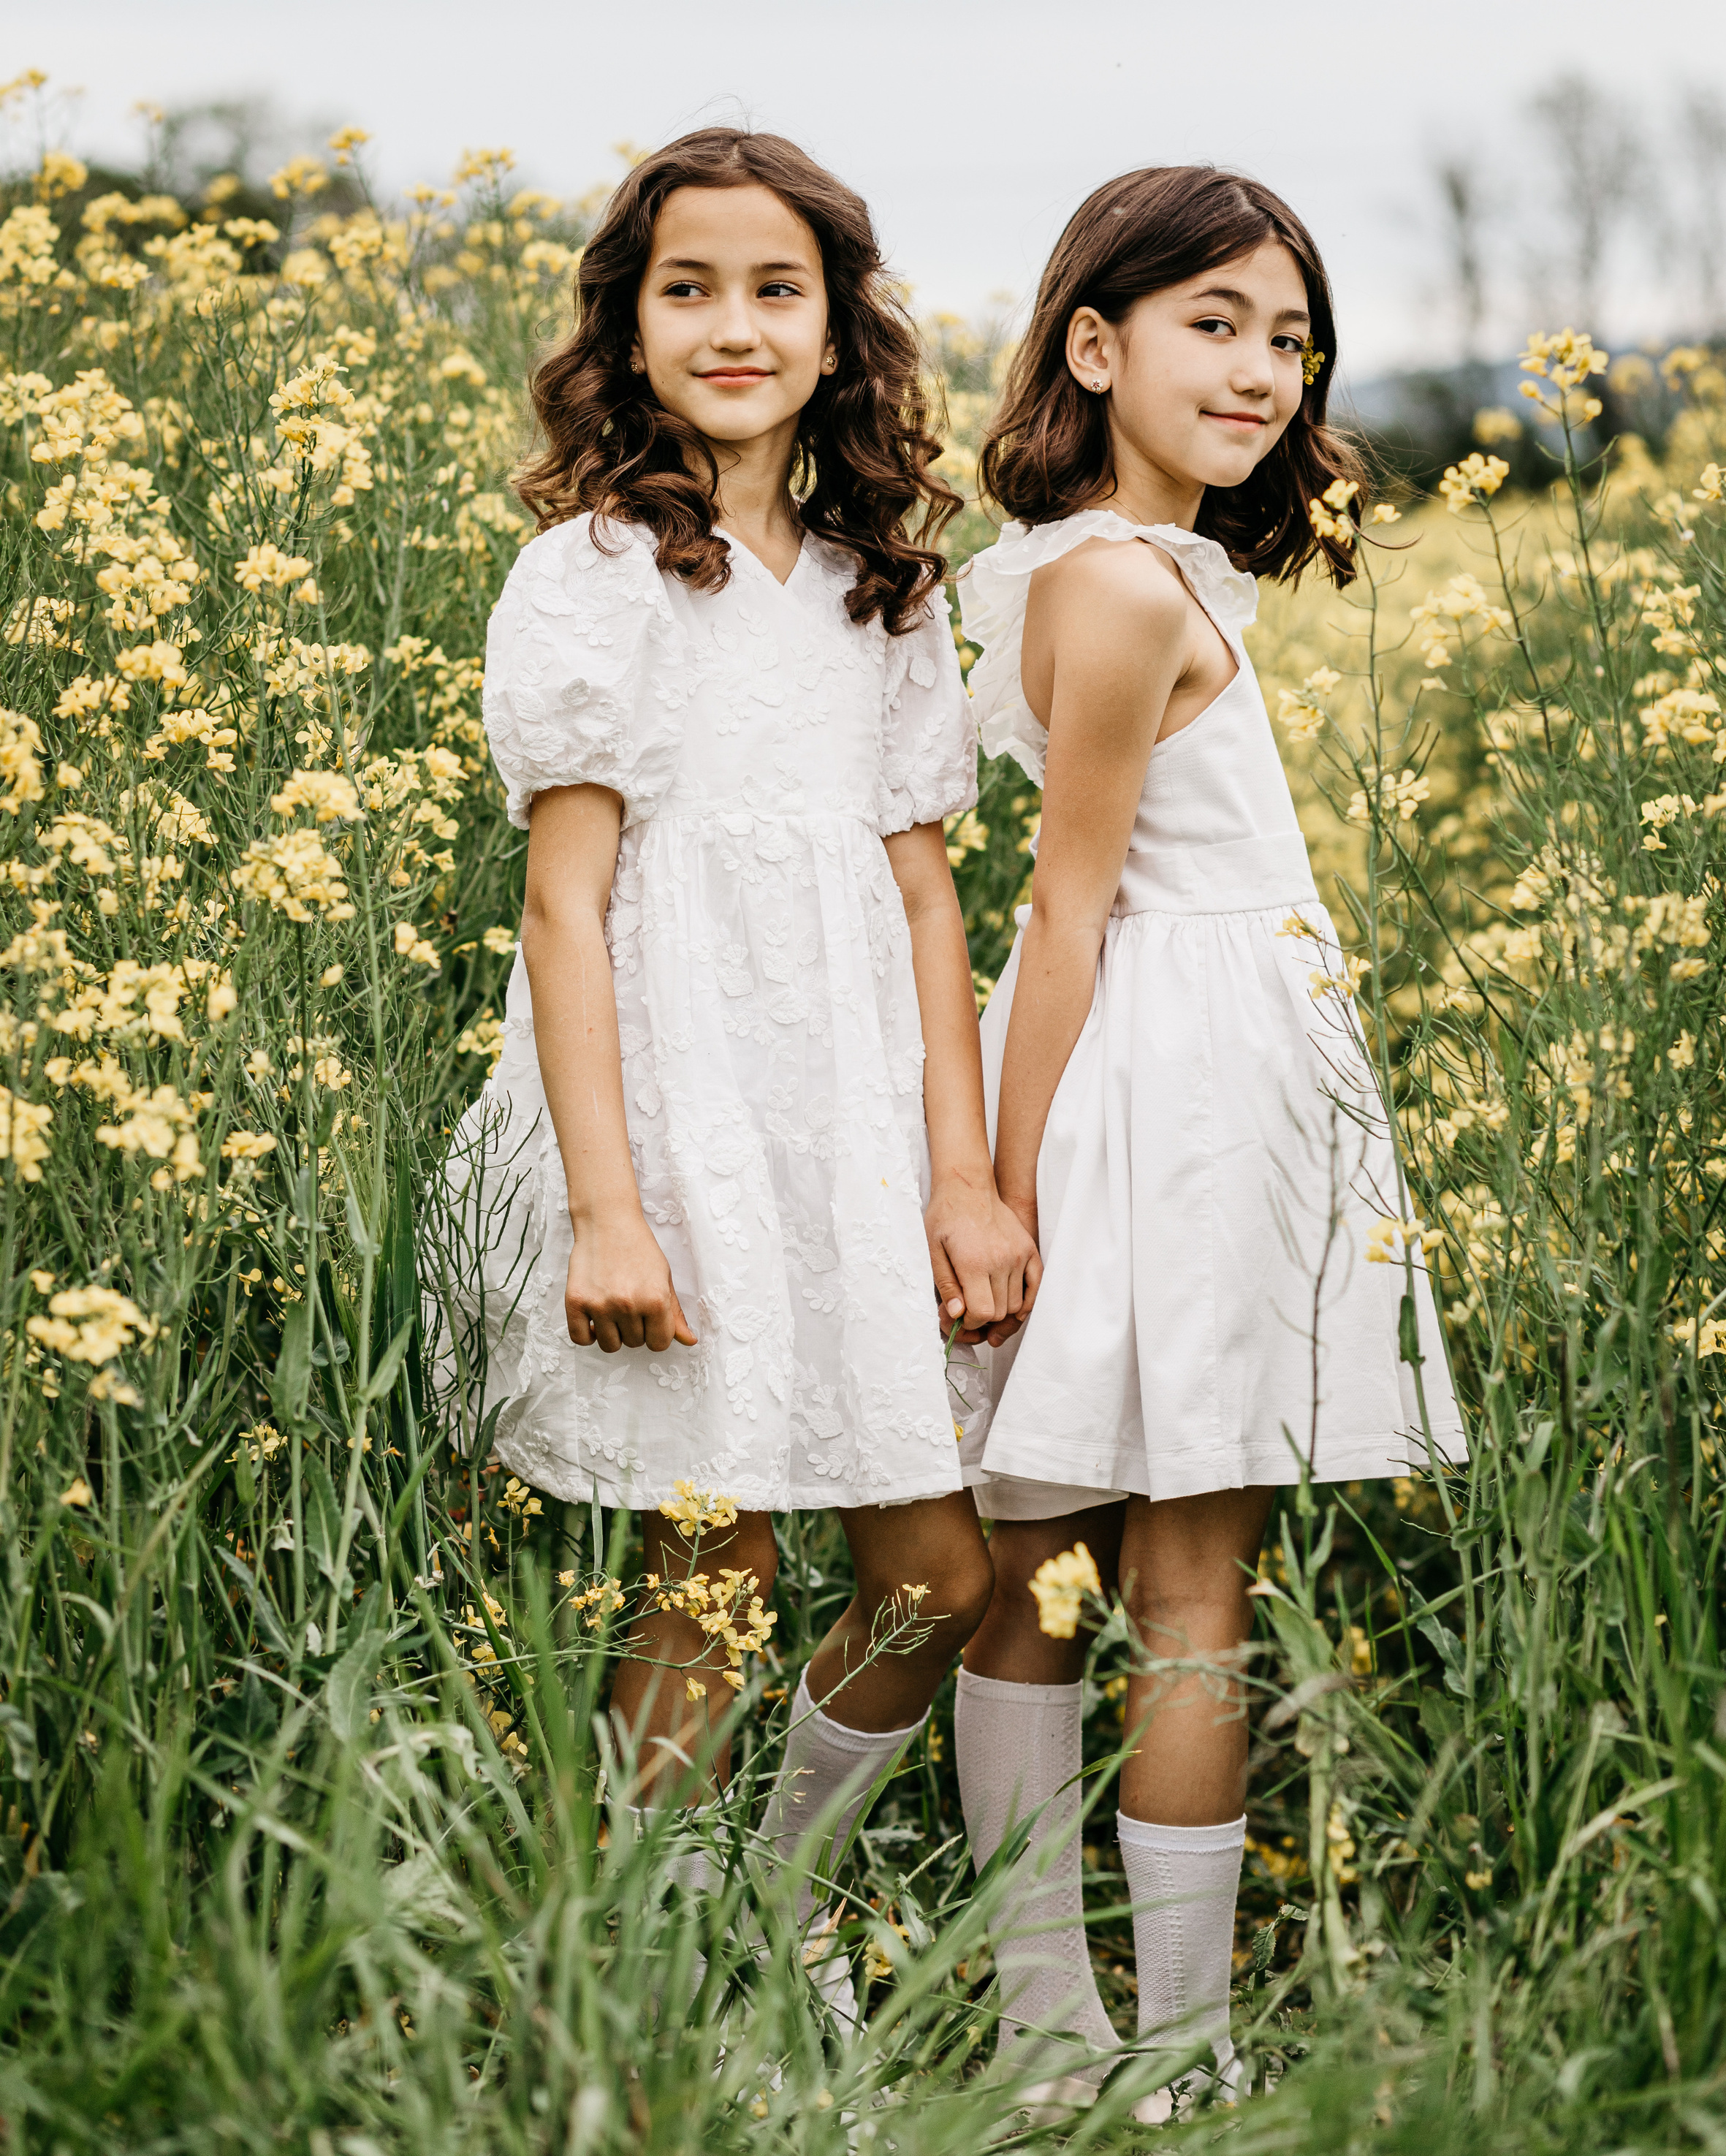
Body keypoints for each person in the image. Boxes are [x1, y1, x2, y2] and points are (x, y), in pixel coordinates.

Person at [444, 128, 1035, 1983]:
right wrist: (606, 1208)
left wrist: (959, 1175)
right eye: (686, 288)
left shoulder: (883, 585)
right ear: (625, 328)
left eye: (775, 289)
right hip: (673, 1119)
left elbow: (925, 899)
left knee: (935, 1570)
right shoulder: (592, 574)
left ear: (836, 328)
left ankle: (768, 1906)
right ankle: (633, 1984)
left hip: (850, 1127)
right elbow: (565, 907)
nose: (732, 325)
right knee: (715, 1573)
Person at [949, 166, 1465, 2107]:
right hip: (1166, 1093)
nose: (1261, 370)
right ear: (1094, 346)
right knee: (1157, 1584)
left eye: (1290, 338)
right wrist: (999, 1187)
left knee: (1070, 1568)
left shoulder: (1132, 568)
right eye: (1215, 323)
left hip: (1189, 1071)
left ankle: (1096, 2038)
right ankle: (1133, 2045)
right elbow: (1064, 905)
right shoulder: (1113, 581)